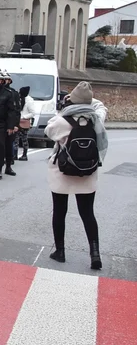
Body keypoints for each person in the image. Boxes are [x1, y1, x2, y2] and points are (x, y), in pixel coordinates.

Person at [45, 81, 107, 270]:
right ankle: (95, 253)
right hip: (87, 172)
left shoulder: (62, 120)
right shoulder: (96, 119)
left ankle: (60, 251)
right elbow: (101, 106)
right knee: (88, 213)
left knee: (59, 211)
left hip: (63, 171)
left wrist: (67, 103)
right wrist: (87, 99)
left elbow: (49, 132)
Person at [17, 85, 34, 161]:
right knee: (15, 139)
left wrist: (24, 117)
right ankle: (14, 154)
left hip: (24, 122)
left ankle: (24, 154)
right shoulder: (18, 99)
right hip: (17, 121)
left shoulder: (29, 101)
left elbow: (33, 113)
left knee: (24, 139)